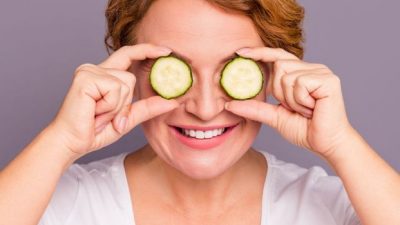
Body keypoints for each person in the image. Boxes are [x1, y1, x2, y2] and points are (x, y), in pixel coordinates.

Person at [0, 0, 399, 224]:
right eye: (175, 70)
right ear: (129, 71)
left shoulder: (330, 206)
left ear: (276, 73)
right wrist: (60, 141)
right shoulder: (64, 203)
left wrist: (341, 144)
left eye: (231, 72)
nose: (205, 109)